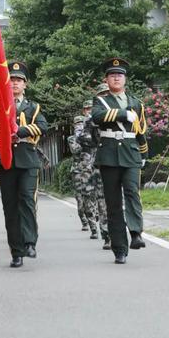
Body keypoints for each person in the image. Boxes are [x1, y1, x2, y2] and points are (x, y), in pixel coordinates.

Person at [0, 61, 48, 268]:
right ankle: (16, 250)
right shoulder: (0, 104)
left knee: (27, 200)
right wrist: (4, 102)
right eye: (11, 80)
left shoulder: (34, 107)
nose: (14, 83)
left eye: (18, 80)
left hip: (27, 157)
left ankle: (30, 242)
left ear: (25, 84)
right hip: (6, 159)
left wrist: (21, 131)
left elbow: (42, 126)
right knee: (10, 207)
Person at [91, 57, 149, 264]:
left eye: (120, 75)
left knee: (133, 192)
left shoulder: (137, 103)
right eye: (112, 75)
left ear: (125, 79)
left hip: (131, 153)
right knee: (113, 203)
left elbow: (141, 131)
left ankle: (135, 233)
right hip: (108, 155)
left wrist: (144, 154)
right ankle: (119, 248)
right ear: (106, 80)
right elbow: (97, 117)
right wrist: (124, 115)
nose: (116, 77)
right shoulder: (100, 101)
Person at [77, 98, 110, 250]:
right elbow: (79, 141)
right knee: (87, 197)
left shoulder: (109, 118)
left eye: (91, 108)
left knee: (106, 199)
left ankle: (108, 234)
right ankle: (93, 227)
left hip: (108, 162)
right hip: (87, 166)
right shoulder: (86, 124)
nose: (89, 110)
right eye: (87, 109)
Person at [67, 115, 98, 237]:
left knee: (92, 198)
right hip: (78, 172)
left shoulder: (91, 135)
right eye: (77, 123)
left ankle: (94, 227)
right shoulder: (72, 138)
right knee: (81, 201)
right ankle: (85, 222)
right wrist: (80, 138)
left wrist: (88, 136)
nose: (79, 125)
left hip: (91, 170)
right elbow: (76, 150)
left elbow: (96, 147)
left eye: (82, 123)